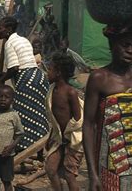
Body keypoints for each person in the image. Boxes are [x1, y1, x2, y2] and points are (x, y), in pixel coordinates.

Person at [83, 25, 132, 190]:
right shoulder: (99, 78)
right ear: (112, 46)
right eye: (125, 45)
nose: (130, 50)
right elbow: (88, 125)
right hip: (110, 165)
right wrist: (92, 174)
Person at [0, 16, 49, 151]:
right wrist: (5, 75)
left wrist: (2, 79)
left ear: (8, 29)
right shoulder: (23, 39)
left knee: (22, 114)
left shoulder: (9, 43)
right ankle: (40, 148)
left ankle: (23, 147)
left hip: (28, 80)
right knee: (38, 115)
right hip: (39, 77)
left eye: (0, 28)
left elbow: (14, 68)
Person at [45, 52, 83, 191]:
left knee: (69, 174)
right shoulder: (52, 90)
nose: (47, 73)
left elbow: (78, 120)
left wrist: (69, 137)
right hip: (59, 139)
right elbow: (55, 120)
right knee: (50, 168)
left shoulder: (70, 92)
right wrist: (51, 137)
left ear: (58, 72)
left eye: (50, 69)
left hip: (74, 140)